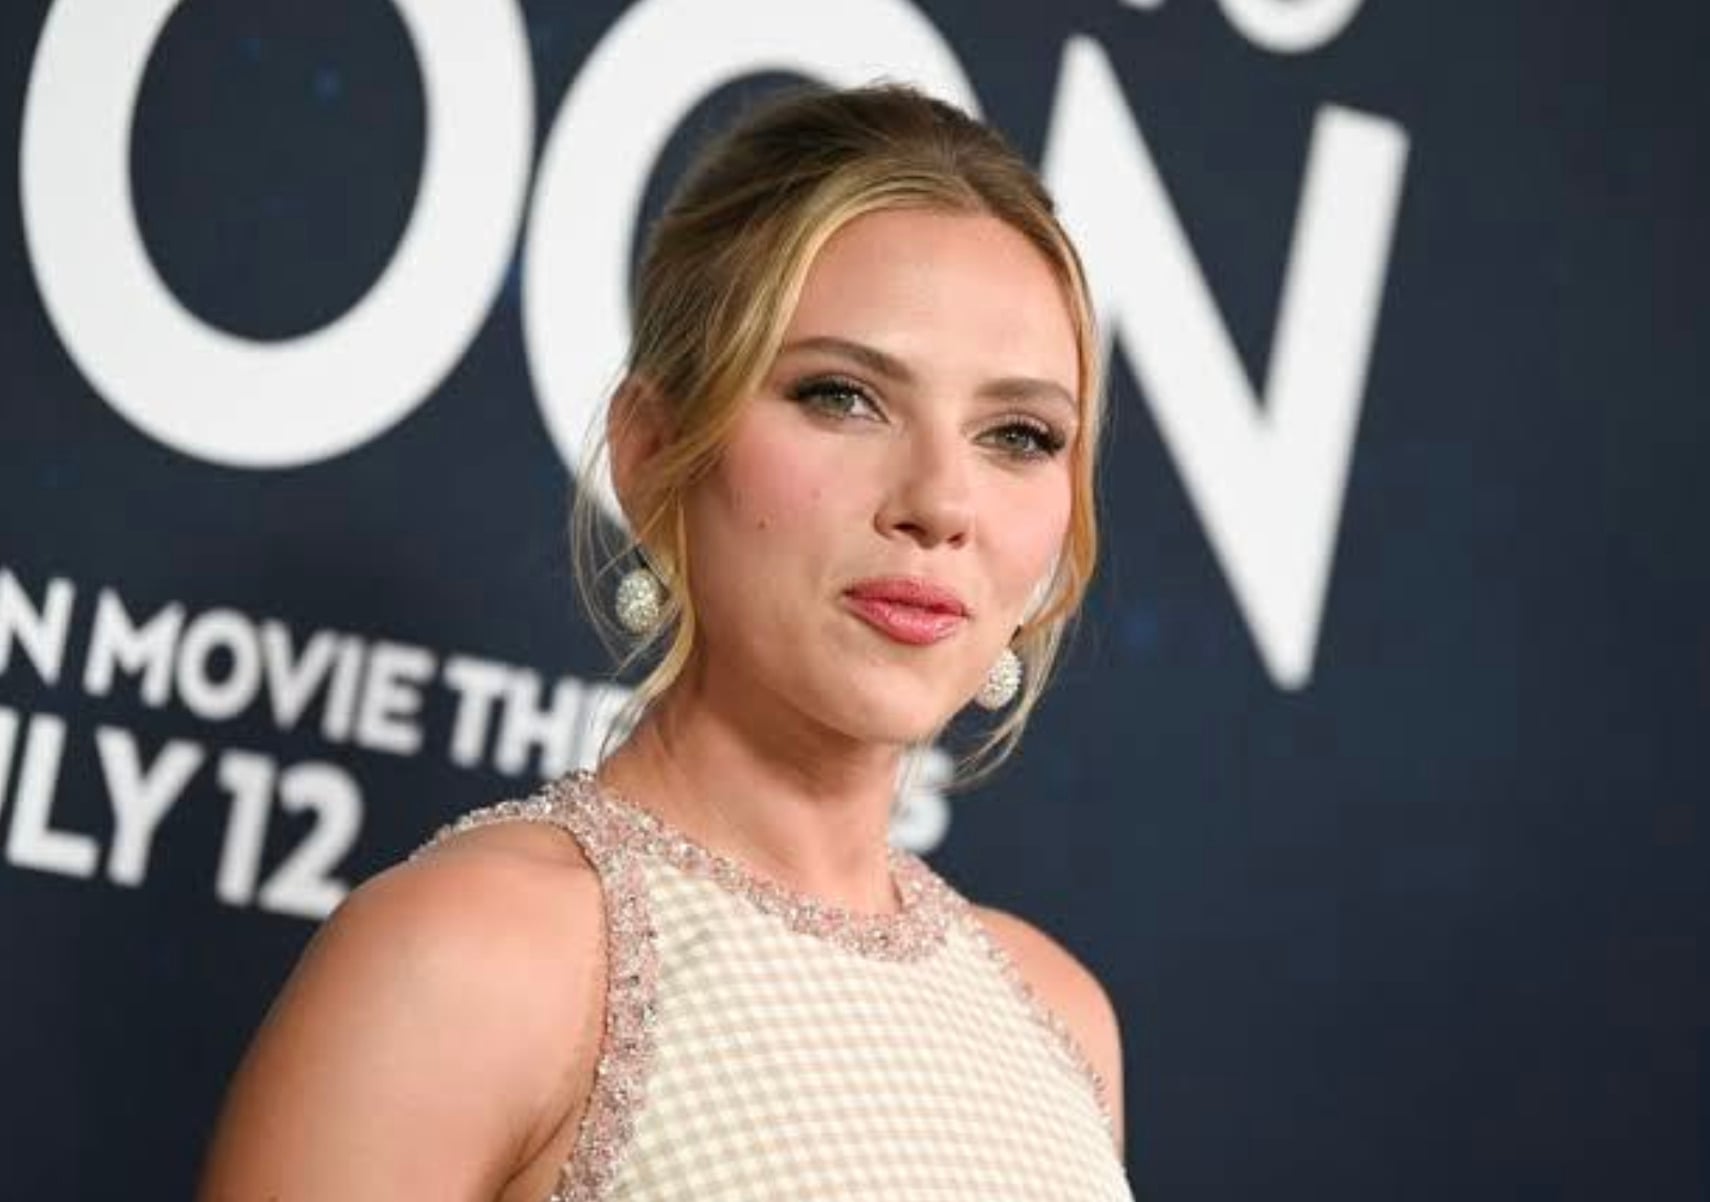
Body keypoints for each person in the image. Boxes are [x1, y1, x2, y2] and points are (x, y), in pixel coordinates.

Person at [198, 82, 1132, 1201]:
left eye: (1019, 434)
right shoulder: (472, 958)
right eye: (842, 395)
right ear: (651, 454)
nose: (940, 500)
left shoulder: (1057, 1013)